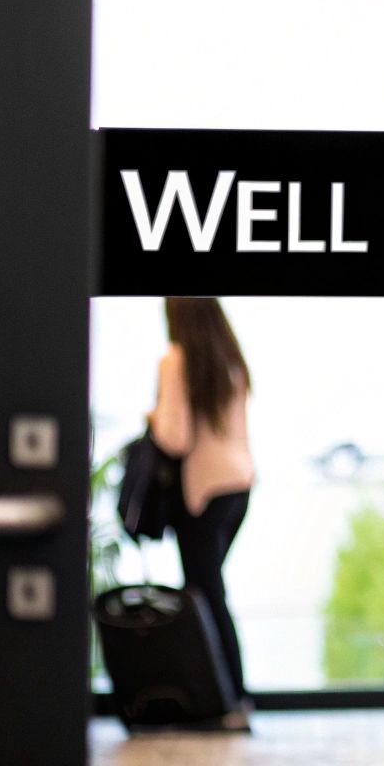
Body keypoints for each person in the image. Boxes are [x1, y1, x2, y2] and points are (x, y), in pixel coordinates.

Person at [149, 296, 255, 728]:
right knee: (210, 594)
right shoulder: (230, 358)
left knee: (204, 595)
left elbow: (175, 437)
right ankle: (227, 698)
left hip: (203, 491)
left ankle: (226, 703)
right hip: (239, 486)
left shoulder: (177, 359)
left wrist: (153, 415)